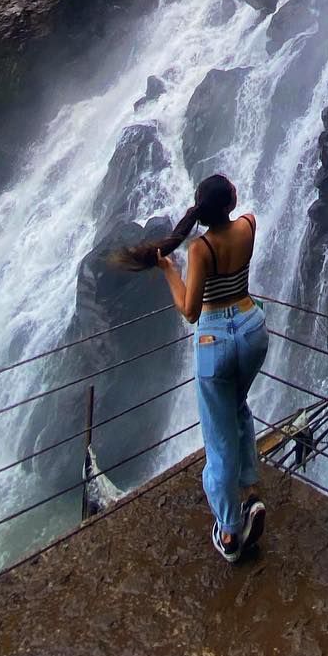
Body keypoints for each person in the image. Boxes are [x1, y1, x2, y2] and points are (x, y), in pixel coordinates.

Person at [112, 173, 268, 563]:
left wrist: (168, 271)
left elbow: (190, 310)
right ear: (232, 201)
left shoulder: (201, 249)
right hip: (252, 329)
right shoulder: (249, 223)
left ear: (201, 211)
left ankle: (231, 535)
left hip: (216, 340)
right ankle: (249, 488)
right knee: (239, 406)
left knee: (218, 438)